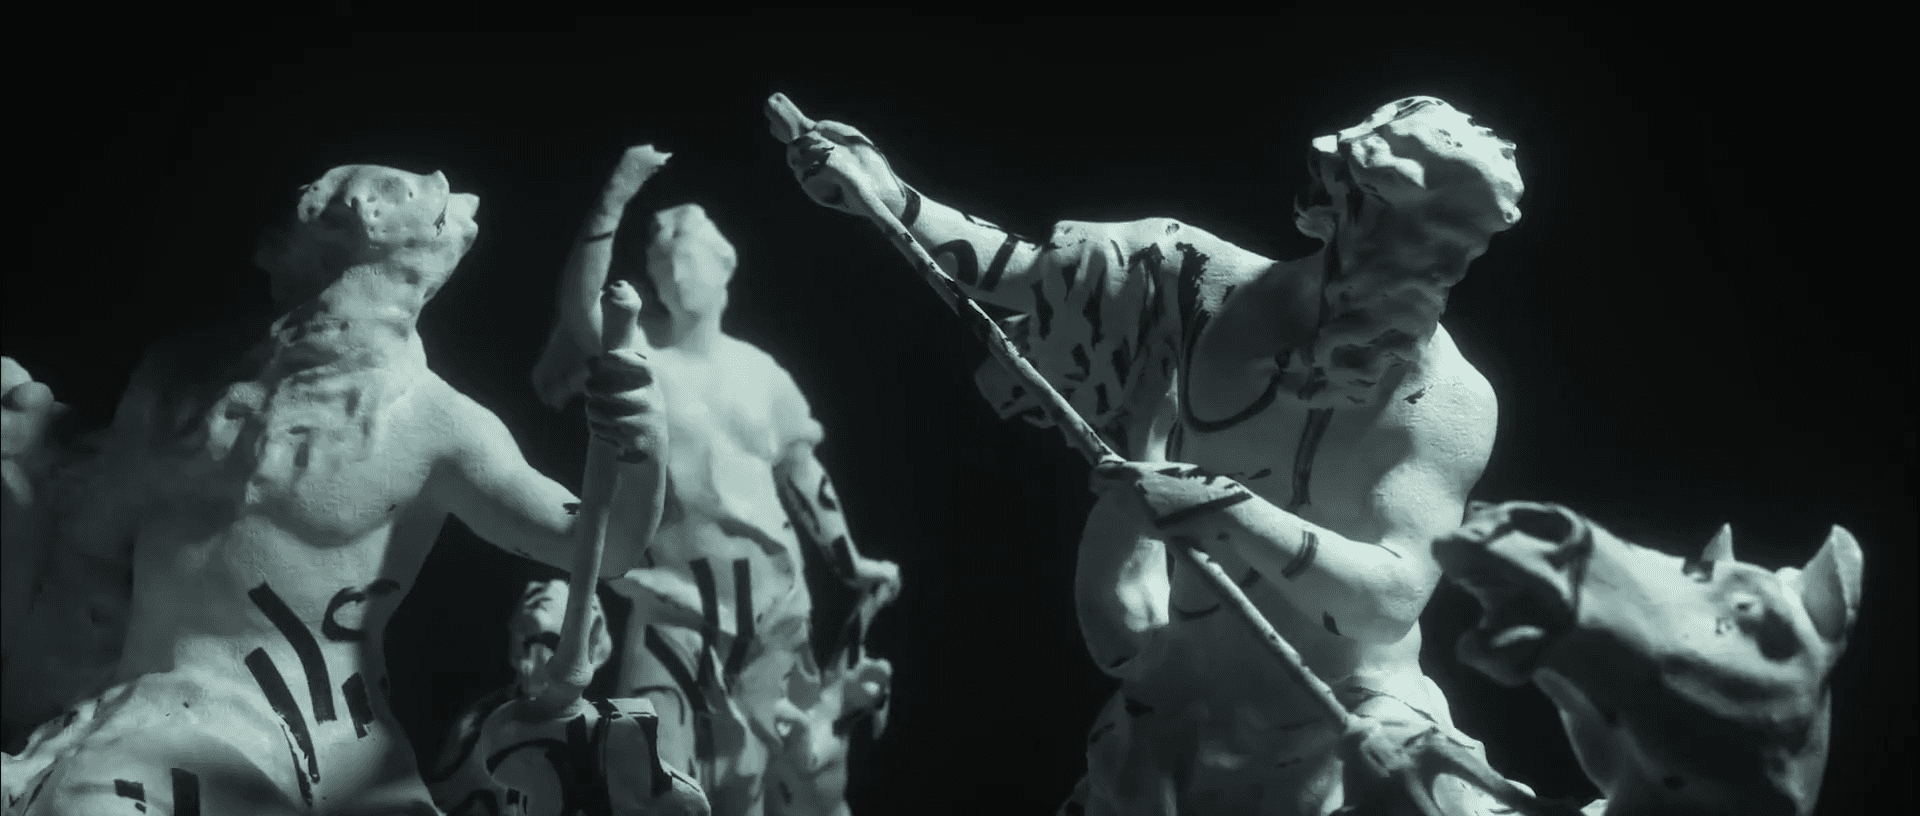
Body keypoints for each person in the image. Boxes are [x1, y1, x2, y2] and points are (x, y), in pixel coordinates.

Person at [769, 95, 1527, 814]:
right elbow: (1026, 275)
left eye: (1450, 255)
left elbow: (1390, 600)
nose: (1426, 269)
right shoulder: (1189, 280)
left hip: (1350, 729)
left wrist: (1223, 507)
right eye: (1408, 233)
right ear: (1343, 200)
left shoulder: (1448, 401)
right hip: (1180, 715)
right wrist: (887, 197)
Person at [0, 164, 669, 816]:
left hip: (335, 750)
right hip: (159, 715)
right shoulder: (179, 376)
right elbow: (84, 548)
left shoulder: (438, 424)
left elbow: (602, 547)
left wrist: (642, 444)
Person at [531, 147, 900, 816]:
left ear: (726, 266)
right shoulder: (642, 359)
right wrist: (616, 195)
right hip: (674, 611)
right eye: (661, 260)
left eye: (688, 254)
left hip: (774, 613)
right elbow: (583, 308)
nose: (674, 269)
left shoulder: (762, 373)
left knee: (770, 780)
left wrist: (850, 561)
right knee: (657, 779)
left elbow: (803, 474)